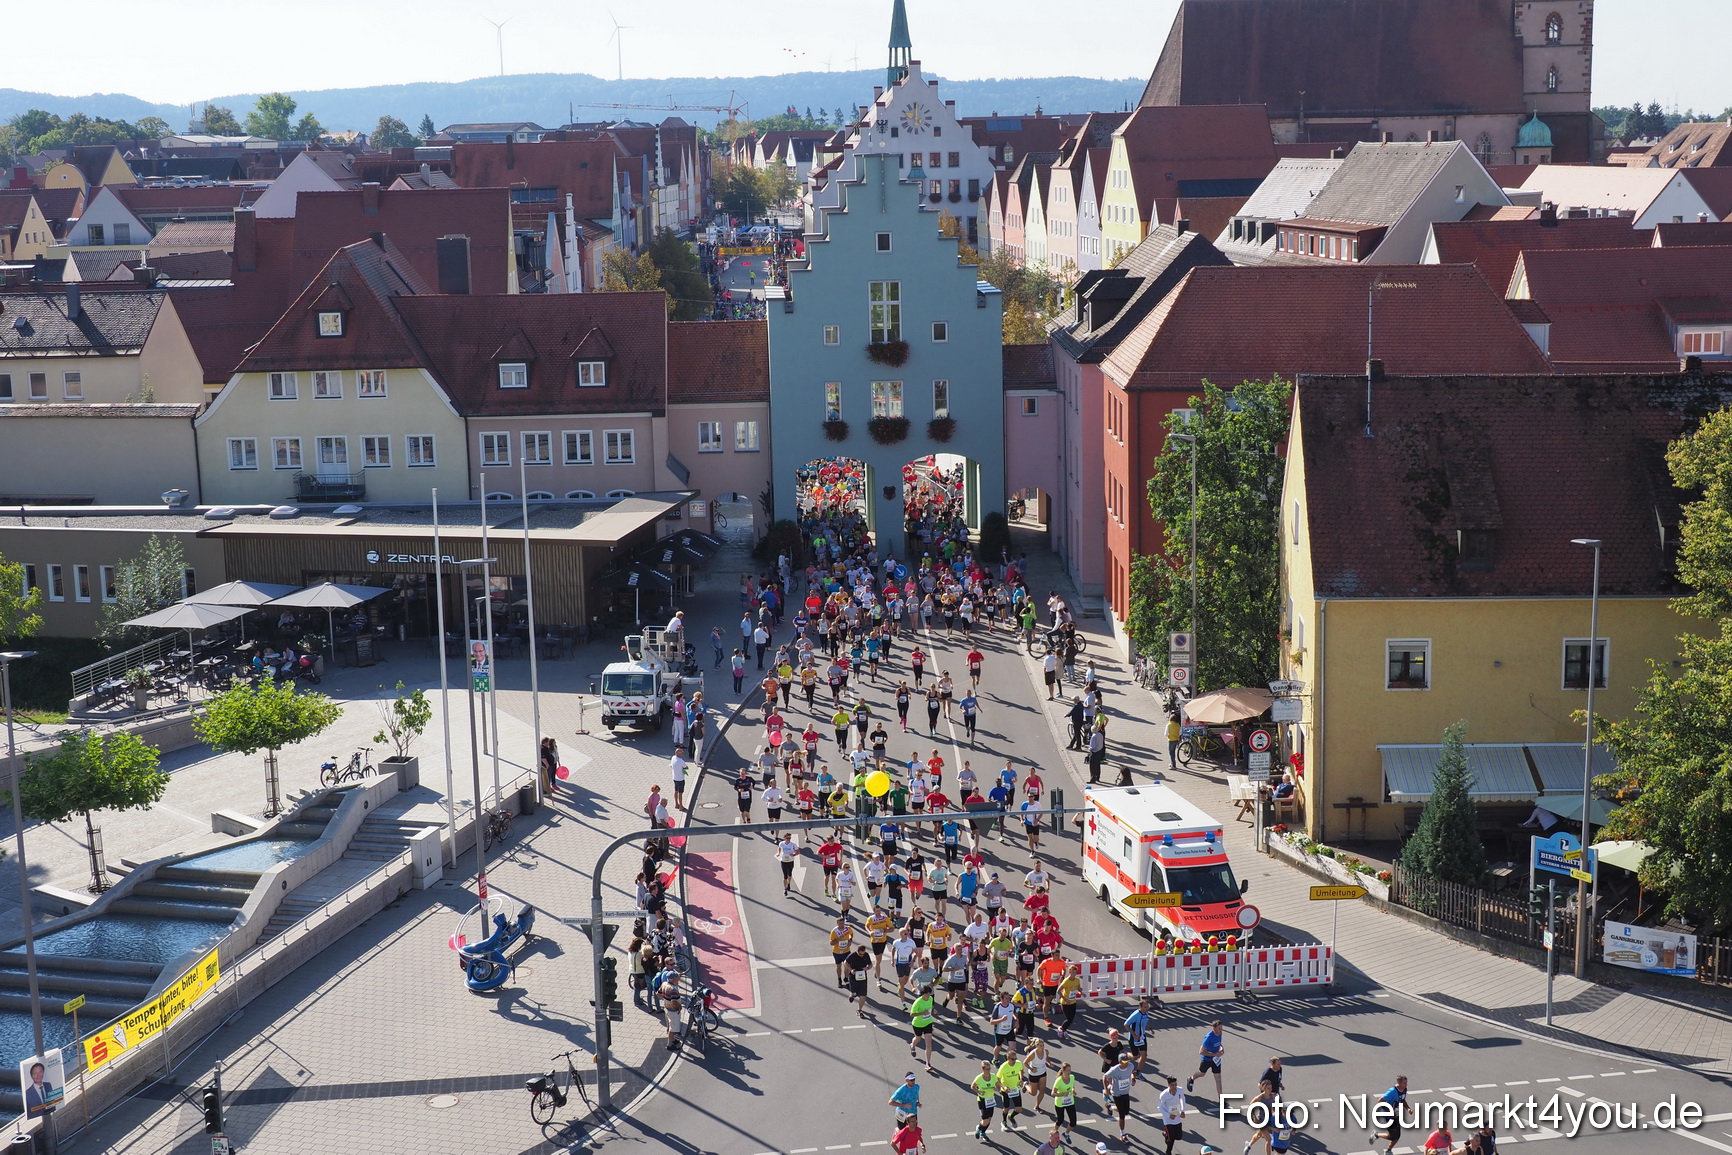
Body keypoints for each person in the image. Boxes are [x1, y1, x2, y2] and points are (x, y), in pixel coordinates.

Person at [1370, 1075, 1408, 1154]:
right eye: (1404, 1083)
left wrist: (1408, 1108)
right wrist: (1390, 1111)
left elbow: (1402, 1099)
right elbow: (1380, 1101)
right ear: (1399, 1083)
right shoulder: (1392, 1091)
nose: (1406, 1084)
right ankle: (1376, 1135)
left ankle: (1388, 1150)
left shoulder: (1404, 1089)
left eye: (1406, 1082)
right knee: (1393, 1136)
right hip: (1389, 1117)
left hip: (1397, 1115)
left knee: (1397, 1136)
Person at [1187, 1019, 1226, 1097]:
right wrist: (1215, 1054)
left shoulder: (1220, 1033)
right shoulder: (1208, 1037)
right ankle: (1191, 1079)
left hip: (1216, 1060)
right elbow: (1201, 1051)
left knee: (1218, 1079)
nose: (1221, 1030)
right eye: (1219, 1028)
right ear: (1214, 1029)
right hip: (1207, 1059)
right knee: (1202, 1073)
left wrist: (1222, 1049)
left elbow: (1218, 1043)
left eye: (1221, 1028)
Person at [1104, 1053, 1138, 1142]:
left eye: (1127, 1061)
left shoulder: (1130, 1066)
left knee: (1126, 1111)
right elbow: (1105, 1077)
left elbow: (1133, 1071)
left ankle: (1110, 1107)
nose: (1126, 1063)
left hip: (1126, 1092)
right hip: (1117, 1094)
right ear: (1119, 1062)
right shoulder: (1115, 1070)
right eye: (1124, 1062)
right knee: (1122, 1115)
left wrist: (1133, 1079)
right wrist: (1107, 1088)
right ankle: (1122, 1134)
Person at [908, 983, 938, 1071]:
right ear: (923, 994)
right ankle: (912, 1045)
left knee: (928, 1044)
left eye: (929, 994)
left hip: (928, 1023)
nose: (929, 996)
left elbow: (931, 1005)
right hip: (918, 1024)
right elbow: (911, 1014)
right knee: (918, 1038)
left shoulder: (931, 998)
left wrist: (933, 1009)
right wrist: (922, 1013)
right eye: (927, 994)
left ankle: (928, 1063)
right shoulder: (918, 1002)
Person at [1124, 997, 1154, 1080]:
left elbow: (1146, 1021)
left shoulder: (1146, 1013)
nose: (1147, 1008)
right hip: (1134, 1038)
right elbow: (1126, 1024)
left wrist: (1150, 1028)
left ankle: (1138, 1072)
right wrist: (1133, 1034)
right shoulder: (1136, 1015)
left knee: (1144, 1055)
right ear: (1140, 1007)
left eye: (1147, 1006)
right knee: (1135, 1057)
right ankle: (1126, 1054)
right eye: (1145, 1007)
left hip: (1142, 1037)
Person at [995, 1051, 1026, 1132]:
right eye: (1013, 1059)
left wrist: (1021, 1079)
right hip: (1006, 1090)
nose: (1015, 1060)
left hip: (1015, 1088)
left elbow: (1021, 1070)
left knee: (1019, 1109)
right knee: (1006, 1108)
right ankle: (1004, 1121)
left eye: (1015, 1058)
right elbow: (997, 1079)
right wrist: (1003, 1087)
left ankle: (1011, 1117)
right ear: (1008, 1058)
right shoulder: (1003, 1067)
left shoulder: (1018, 1063)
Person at [1157, 1075, 1187, 1155]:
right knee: (1172, 1138)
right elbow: (1159, 1107)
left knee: (1178, 1137)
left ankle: (1166, 1134)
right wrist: (1168, 1115)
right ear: (1169, 1085)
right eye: (1172, 1085)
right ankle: (1168, 1152)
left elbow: (1183, 1100)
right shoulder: (1164, 1095)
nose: (1175, 1087)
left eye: (1175, 1084)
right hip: (1168, 1120)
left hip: (1177, 1117)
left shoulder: (1180, 1090)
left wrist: (1183, 1111)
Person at [1052, 1061, 1079, 1141]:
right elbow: (1053, 1093)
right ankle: (1054, 1133)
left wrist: (1073, 1091)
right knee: (1060, 1120)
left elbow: (1072, 1086)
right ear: (1063, 1071)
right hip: (1060, 1103)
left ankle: (1066, 1133)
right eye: (1067, 1070)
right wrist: (1062, 1094)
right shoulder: (1059, 1081)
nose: (1069, 1072)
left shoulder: (1072, 1077)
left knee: (1073, 1122)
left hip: (1070, 1101)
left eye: (1070, 1070)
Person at [847, 942, 875, 1017]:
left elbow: (870, 964)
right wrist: (851, 970)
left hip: (863, 977)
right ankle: (852, 994)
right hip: (853, 976)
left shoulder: (866, 955)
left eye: (863, 953)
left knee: (863, 995)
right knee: (853, 991)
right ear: (858, 951)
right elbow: (845, 963)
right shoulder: (852, 955)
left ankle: (859, 1010)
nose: (862, 955)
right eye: (861, 954)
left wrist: (868, 968)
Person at [829, 915, 855, 988]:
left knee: (847, 966)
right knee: (838, 966)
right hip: (837, 952)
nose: (841, 925)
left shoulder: (847, 928)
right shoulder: (834, 931)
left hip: (846, 951)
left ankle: (846, 978)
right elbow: (831, 943)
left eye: (842, 923)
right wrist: (838, 940)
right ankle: (839, 979)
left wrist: (850, 940)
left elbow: (851, 934)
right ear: (837, 924)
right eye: (840, 924)